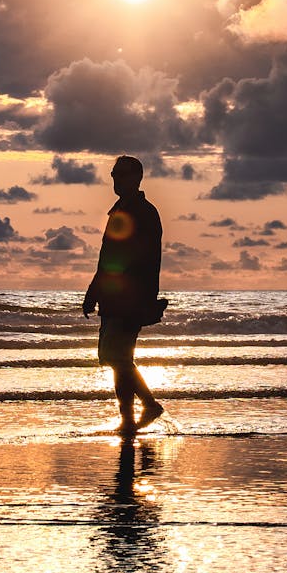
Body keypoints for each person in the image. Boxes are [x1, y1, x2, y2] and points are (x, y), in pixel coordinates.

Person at [82, 155, 166, 435]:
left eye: (122, 175)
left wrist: (101, 290)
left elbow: (129, 258)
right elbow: (107, 257)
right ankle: (130, 419)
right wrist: (95, 291)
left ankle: (146, 407)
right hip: (115, 298)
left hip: (129, 299)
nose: (116, 180)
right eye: (114, 175)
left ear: (136, 178)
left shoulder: (142, 212)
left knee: (118, 358)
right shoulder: (122, 209)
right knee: (116, 359)